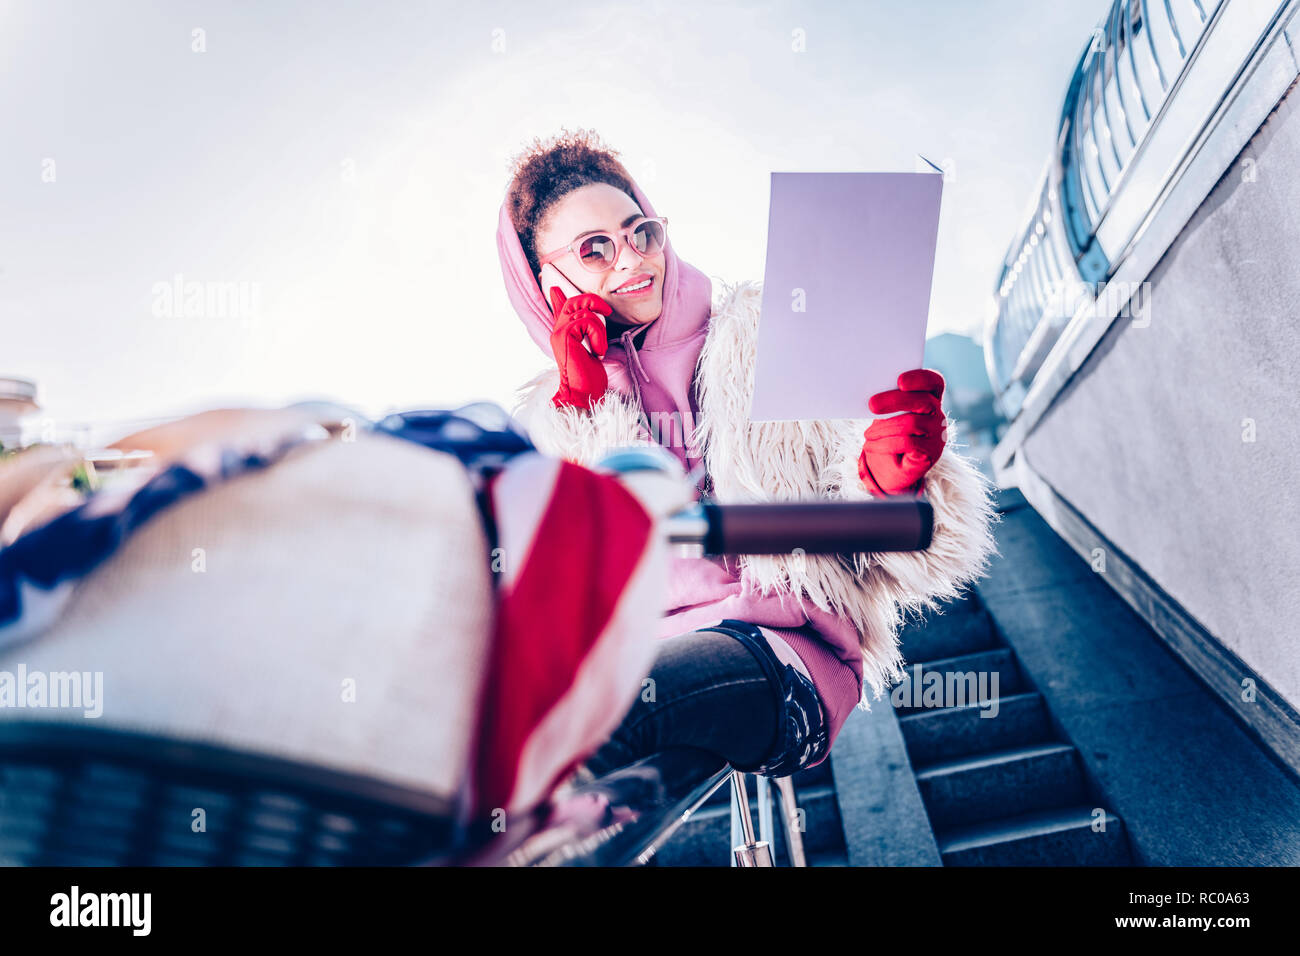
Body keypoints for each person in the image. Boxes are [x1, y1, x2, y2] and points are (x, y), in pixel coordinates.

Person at [496, 128, 998, 779]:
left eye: (640, 231)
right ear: (546, 284)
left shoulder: (765, 335)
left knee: (578, 739)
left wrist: (885, 473)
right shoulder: (545, 430)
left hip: (786, 657)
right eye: (593, 250)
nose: (631, 258)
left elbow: (905, 548)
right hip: (640, 664)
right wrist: (584, 419)